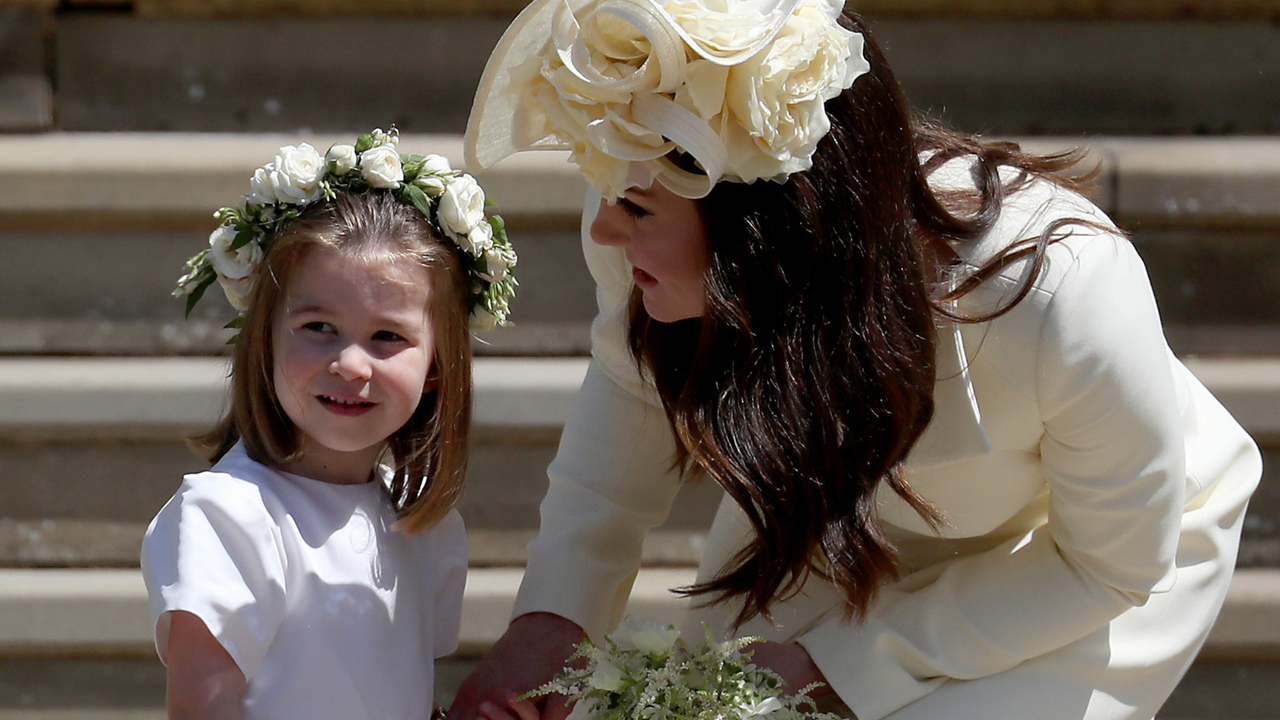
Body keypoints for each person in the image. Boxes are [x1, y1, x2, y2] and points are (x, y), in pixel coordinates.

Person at [452, 0, 1263, 719]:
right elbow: (630, 401)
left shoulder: (1059, 294)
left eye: (633, 208)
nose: (602, 232)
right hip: (837, 500)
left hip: (1077, 560)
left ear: (769, 226)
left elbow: (1109, 566)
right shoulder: (645, 200)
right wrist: (552, 619)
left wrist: (840, 662)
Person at [141, 129, 517, 720]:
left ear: (439, 366)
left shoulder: (420, 523)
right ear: (264, 338)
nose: (349, 363)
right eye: (318, 326)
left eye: (388, 336)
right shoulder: (230, 517)